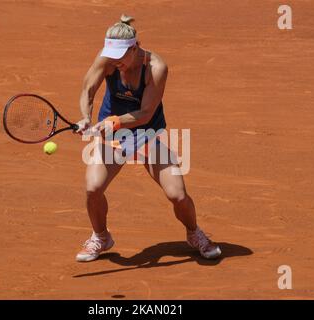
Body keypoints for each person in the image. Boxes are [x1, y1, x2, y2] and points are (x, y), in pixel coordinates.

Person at [74, 14, 221, 262]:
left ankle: (194, 233)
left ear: (135, 47)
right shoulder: (108, 59)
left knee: (178, 195)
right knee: (93, 188)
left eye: (121, 56)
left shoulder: (156, 67)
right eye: (112, 55)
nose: (115, 61)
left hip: (147, 134)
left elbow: (145, 113)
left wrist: (114, 121)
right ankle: (101, 236)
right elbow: (88, 89)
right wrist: (86, 117)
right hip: (114, 137)